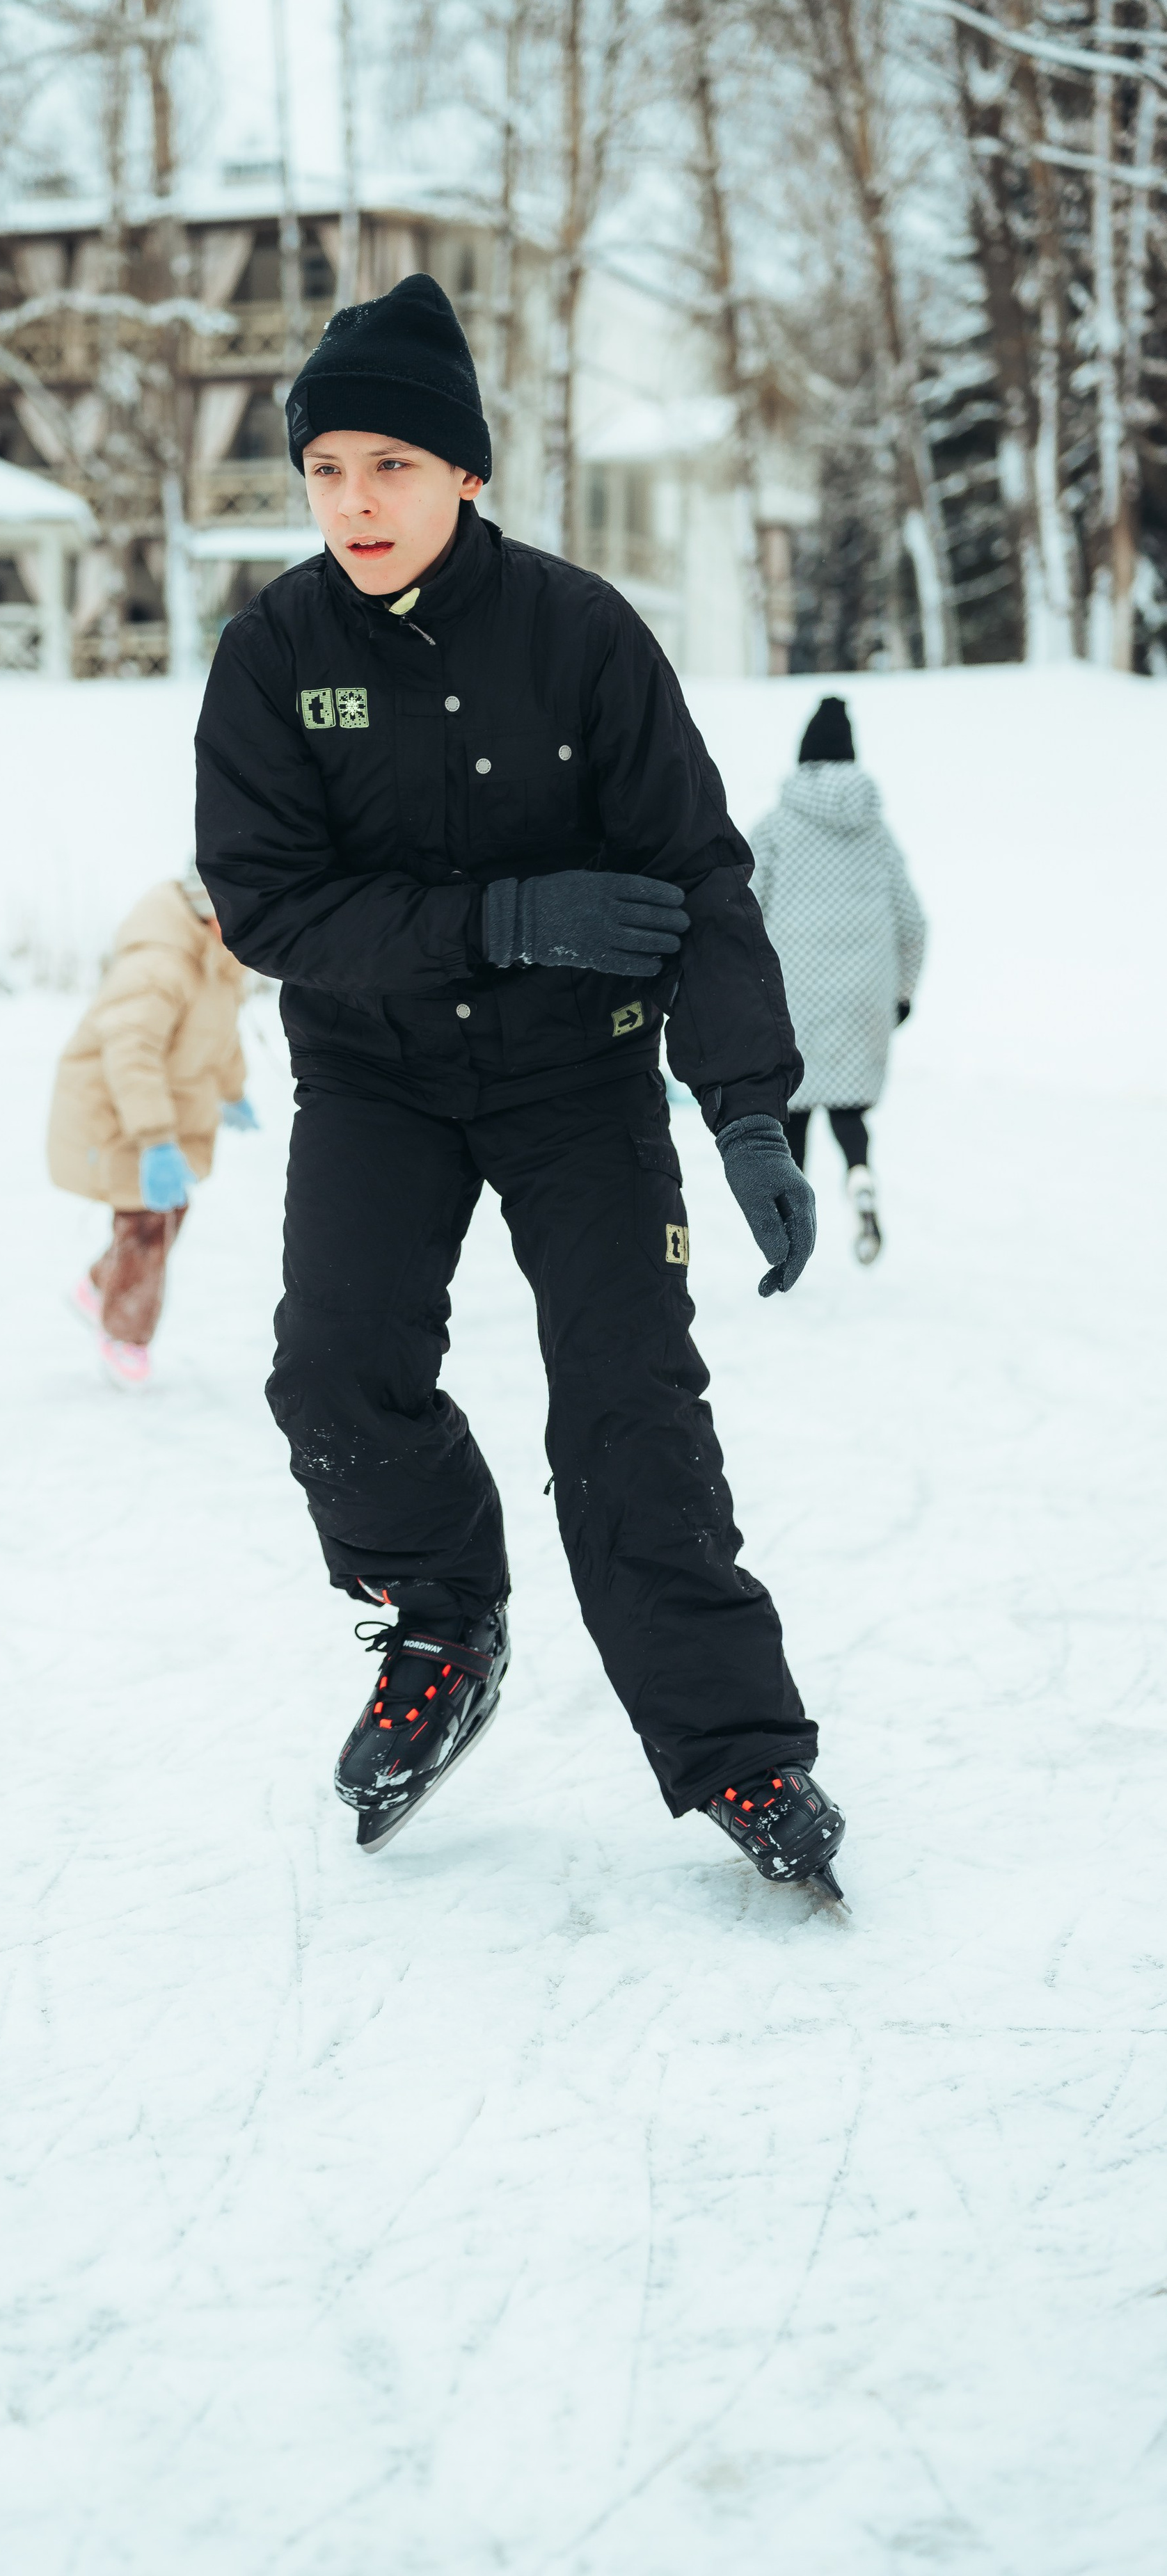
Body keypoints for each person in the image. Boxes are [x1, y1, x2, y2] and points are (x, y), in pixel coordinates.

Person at [195, 272, 848, 1903]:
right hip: (377, 1079)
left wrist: (749, 1103)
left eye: (390, 467)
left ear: (464, 473)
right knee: (333, 1371)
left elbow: (696, 872)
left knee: (628, 1412)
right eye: (327, 468)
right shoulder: (273, 656)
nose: (354, 501)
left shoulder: (578, 634)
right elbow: (265, 903)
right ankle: (441, 1622)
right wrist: (494, 914)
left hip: (580, 1080)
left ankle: (740, 1750)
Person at [47, 866, 254, 1390]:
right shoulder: (159, 966)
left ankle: (99, 1286)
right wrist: (156, 1140)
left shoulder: (218, 960)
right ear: (213, 910)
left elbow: (220, 1036)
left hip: (154, 1113)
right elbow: (131, 1057)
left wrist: (234, 1090)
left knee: (168, 1208)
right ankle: (125, 1336)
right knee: (148, 1223)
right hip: (117, 1113)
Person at [749, 696, 926, 1265]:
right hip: (862, 996)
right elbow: (913, 922)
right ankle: (859, 1175)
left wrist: (744, 993)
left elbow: (744, 909)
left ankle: (790, 1230)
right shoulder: (876, 832)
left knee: (793, 1110)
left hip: (790, 996)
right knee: (849, 1107)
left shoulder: (775, 827)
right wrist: (902, 994)